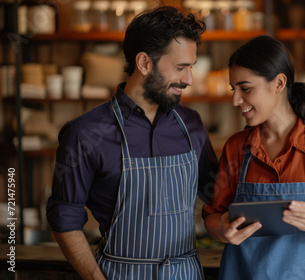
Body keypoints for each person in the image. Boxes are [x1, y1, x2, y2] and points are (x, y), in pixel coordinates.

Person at [46, 6, 218, 280]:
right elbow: (65, 217)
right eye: (180, 68)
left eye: (191, 67)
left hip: (186, 272)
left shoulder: (192, 125)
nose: (189, 79)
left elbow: (217, 196)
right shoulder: (85, 133)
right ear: (145, 63)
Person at [203, 35, 305, 279]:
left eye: (245, 88)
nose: (235, 100)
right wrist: (222, 230)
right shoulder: (236, 148)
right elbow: (212, 216)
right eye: (234, 89)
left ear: (279, 83)